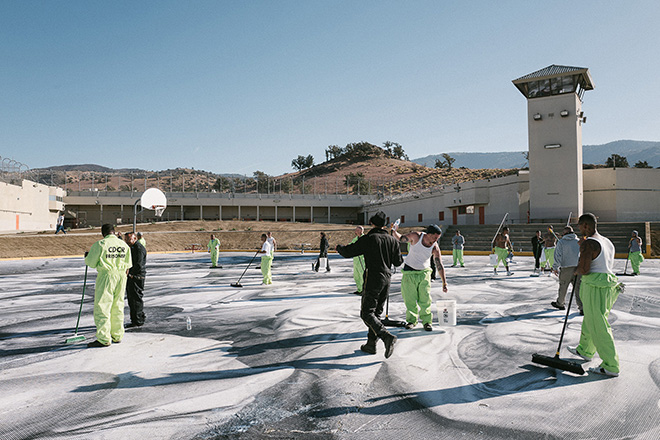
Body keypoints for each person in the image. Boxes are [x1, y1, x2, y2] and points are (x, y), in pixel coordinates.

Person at [336, 211, 403, 358]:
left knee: (366, 313)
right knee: (376, 313)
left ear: (372, 223)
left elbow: (349, 252)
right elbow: (398, 262)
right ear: (385, 225)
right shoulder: (392, 240)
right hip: (387, 278)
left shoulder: (370, 238)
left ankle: (386, 336)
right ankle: (371, 345)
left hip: (373, 277)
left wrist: (339, 247)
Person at [567, 213, 623, 377]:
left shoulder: (588, 244)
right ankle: (585, 350)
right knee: (592, 318)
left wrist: (575, 270)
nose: (578, 228)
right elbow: (603, 263)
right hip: (607, 285)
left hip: (594, 285)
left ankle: (611, 365)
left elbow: (584, 269)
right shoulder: (607, 241)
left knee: (598, 324)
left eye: (579, 225)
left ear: (585, 226)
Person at [392, 224, 448, 331]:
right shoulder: (416, 236)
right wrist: (394, 231)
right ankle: (411, 321)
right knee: (410, 299)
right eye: (435, 237)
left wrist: (444, 282)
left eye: (438, 238)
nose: (436, 240)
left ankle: (427, 322)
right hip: (409, 273)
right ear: (428, 234)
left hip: (424, 274)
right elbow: (401, 238)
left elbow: (439, 265)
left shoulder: (435, 247)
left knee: (425, 299)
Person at [84, 224, 132, 347]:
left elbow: (91, 262)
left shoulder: (101, 244)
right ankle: (117, 335)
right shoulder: (124, 245)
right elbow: (128, 264)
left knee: (103, 306)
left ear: (103, 233)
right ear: (114, 232)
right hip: (122, 276)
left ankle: (104, 338)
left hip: (107, 275)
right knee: (118, 304)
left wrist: (87, 256)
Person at [551, 226, 583, 314]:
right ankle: (581, 307)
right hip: (578, 268)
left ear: (564, 234)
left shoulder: (561, 242)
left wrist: (555, 267)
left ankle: (560, 303)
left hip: (566, 268)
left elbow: (557, 256)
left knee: (563, 287)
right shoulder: (578, 241)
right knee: (578, 288)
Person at [124, 232, 147, 328]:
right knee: (132, 299)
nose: (127, 241)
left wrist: (131, 274)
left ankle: (138, 320)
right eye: (126, 239)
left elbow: (139, 264)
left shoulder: (139, 248)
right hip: (133, 276)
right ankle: (135, 319)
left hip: (136, 277)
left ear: (134, 239)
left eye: (128, 239)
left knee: (136, 298)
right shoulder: (133, 248)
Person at [349, 226, 365, 295]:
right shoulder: (355, 239)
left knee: (362, 275)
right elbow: (350, 246)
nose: (356, 231)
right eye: (356, 230)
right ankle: (359, 289)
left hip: (362, 260)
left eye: (358, 230)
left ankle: (364, 290)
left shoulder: (364, 239)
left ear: (361, 231)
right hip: (356, 260)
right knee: (356, 276)